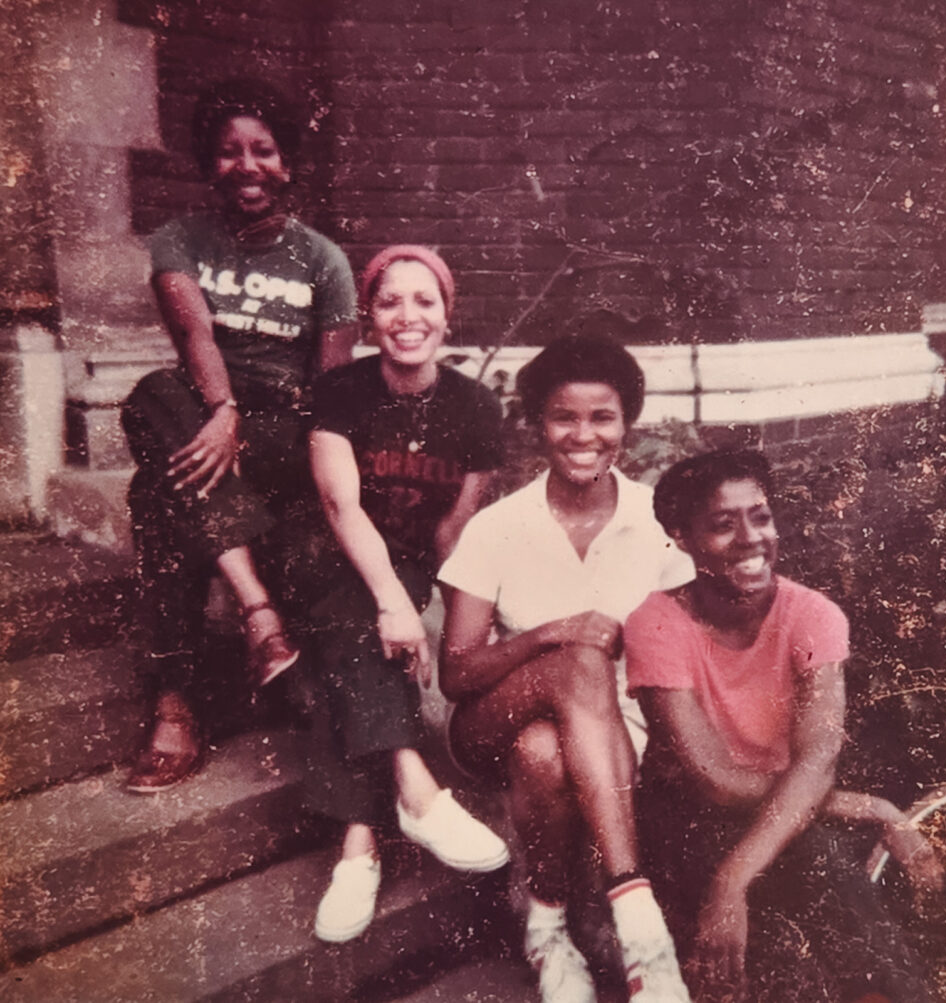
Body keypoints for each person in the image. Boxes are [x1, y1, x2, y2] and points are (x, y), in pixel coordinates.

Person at [625, 449, 938, 1002]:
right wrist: (872, 807)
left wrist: (733, 882)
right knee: (790, 903)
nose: (751, 537)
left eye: (761, 516)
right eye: (723, 524)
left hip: (782, 818)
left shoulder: (812, 614)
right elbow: (715, 782)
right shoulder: (656, 622)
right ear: (682, 536)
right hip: (687, 821)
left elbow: (818, 757)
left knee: (812, 865)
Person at [438, 333, 695, 1003]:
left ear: (626, 422)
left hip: (617, 729)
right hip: (491, 719)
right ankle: (642, 925)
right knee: (576, 658)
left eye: (602, 416)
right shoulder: (498, 525)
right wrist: (552, 634)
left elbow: (688, 642)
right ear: (537, 424)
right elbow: (457, 674)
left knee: (546, 753)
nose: (583, 434)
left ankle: (547, 930)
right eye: (564, 416)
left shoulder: (658, 518)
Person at [120, 78, 359, 793]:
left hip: (281, 427)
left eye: (263, 151)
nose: (247, 165)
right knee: (152, 401)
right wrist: (220, 409)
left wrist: (313, 468)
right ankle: (253, 621)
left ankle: (177, 704)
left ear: (286, 165)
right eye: (229, 152)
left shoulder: (323, 260)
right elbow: (193, 330)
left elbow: (331, 392)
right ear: (209, 163)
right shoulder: (179, 240)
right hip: (200, 412)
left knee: (160, 494)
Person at [306, 245, 510, 944]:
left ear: (447, 315)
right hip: (328, 555)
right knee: (351, 609)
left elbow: (453, 532)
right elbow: (339, 507)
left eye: (425, 300)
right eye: (391, 301)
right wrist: (396, 605)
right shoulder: (341, 392)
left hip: (410, 566)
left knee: (355, 637)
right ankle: (415, 787)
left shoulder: (476, 408)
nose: (407, 316)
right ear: (370, 315)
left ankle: (359, 847)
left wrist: (461, 626)